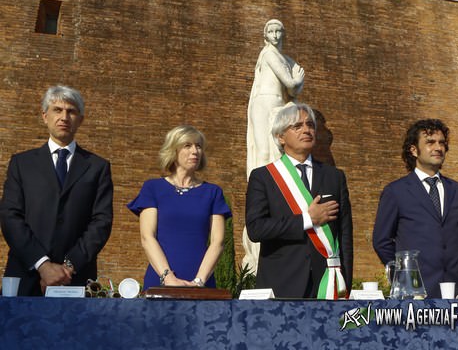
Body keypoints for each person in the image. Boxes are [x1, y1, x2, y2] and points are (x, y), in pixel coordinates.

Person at [0, 85, 113, 296]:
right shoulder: (22, 164)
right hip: (26, 275)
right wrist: (43, 265)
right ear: (44, 116)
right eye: (57, 110)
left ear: (80, 120)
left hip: (76, 278)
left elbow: (101, 221)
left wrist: (68, 267)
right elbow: (10, 216)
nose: (64, 117)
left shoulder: (97, 167)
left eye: (71, 111)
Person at [246, 102, 353, 298]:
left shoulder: (334, 176)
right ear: (280, 137)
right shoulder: (264, 177)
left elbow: (345, 233)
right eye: (297, 126)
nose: (306, 130)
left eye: (310, 125)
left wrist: (346, 278)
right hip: (282, 282)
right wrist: (307, 219)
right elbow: (256, 228)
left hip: (328, 281)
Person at [372, 119, 458, 298]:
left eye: (442, 143)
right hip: (415, 293)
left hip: (455, 290)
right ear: (414, 150)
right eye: (430, 142)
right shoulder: (396, 191)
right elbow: (381, 240)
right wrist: (404, 275)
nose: (438, 147)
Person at [127, 125, 231, 289]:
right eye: (187, 146)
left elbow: (217, 242)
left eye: (198, 146)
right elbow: (147, 237)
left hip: (201, 283)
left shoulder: (212, 192)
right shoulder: (153, 188)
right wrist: (168, 278)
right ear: (173, 151)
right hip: (160, 281)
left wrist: (198, 282)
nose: (195, 151)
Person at [246, 19, 304, 177]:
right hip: (264, 103)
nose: (275, 35)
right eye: (271, 32)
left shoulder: (285, 59)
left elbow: (292, 92)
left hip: (279, 105)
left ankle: (278, 185)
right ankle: (260, 187)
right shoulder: (268, 54)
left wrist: (296, 83)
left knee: (278, 149)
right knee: (264, 151)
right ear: (266, 36)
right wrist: (297, 80)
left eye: (278, 31)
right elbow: (289, 82)